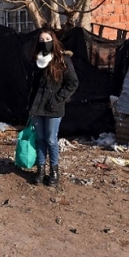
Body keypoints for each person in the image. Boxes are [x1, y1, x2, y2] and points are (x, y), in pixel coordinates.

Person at [27, 28, 79, 186]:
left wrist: (57, 99)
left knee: (51, 139)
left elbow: (73, 83)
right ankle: (40, 170)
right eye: (41, 40)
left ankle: (54, 171)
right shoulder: (35, 60)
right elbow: (32, 85)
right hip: (37, 107)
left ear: (53, 40)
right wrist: (30, 103)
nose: (44, 43)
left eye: (47, 39)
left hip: (53, 108)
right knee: (40, 139)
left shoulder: (62, 59)